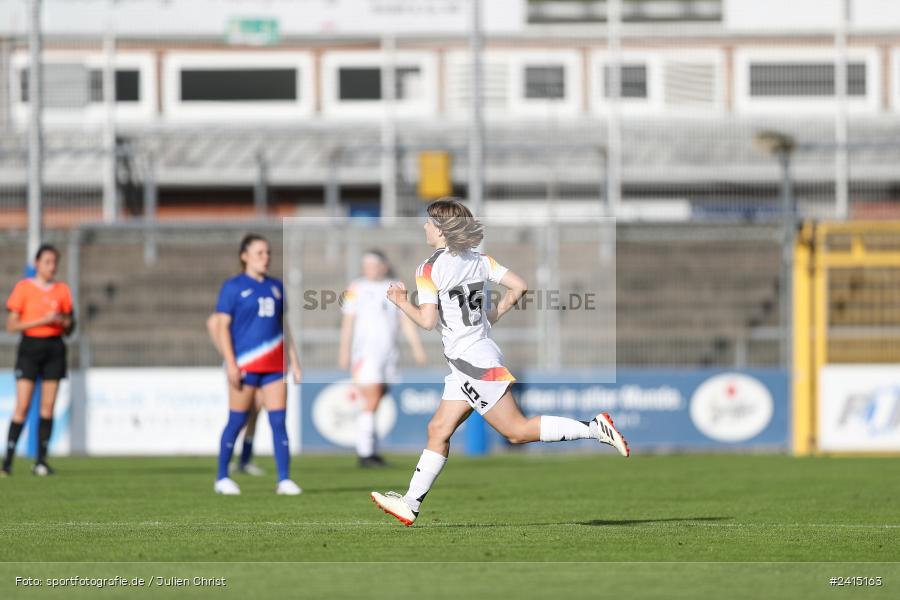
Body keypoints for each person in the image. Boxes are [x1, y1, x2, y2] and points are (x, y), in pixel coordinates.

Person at [371, 199, 629, 526]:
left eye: (428, 222)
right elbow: (519, 287)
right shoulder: (480, 260)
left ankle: (594, 428)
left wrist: (398, 301)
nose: (425, 227)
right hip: (472, 356)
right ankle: (410, 503)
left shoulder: (429, 268)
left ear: (442, 229)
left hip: (471, 363)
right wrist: (492, 316)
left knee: (517, 431)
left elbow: (425, 321)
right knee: (437, 429)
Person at [208, 234, 303, 496]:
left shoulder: (276, 286)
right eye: (259, 253)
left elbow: (284, 326)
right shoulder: (233, 287)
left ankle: (284, 479)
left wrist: (294, 361)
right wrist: (230, 363)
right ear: (244, 256)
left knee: (278, 420)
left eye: (268, 253)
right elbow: (221, 326)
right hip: (245, 364)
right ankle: (222, 477)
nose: (266, 257)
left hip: (274, 366)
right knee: (237, 420)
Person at [339, 250, 427, 468]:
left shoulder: (395, 285)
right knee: (372, 398)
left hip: (389, 355)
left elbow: (405, 319)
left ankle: (372, 450)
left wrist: (416, 347)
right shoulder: (356, 287)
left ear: (384, 266)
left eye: (372, 264)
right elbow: (348, 321)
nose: (368, 268)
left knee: (378, 398)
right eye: (365, 264)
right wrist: (344, 350)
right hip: (365, 354)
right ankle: (365, 453)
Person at [2, 244, 75, 477]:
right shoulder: (24, 288)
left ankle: (41, 462)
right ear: (37, 264)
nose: (52, 267)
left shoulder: (62, 290)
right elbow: (12, 326)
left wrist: (61, 321)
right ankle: (8, 462)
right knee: (22, 406)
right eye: (47, 262)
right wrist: (41, 321)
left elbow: (70, 327)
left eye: (54, 262)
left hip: (54, 348)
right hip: (30, 348)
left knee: (48, 407)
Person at [205, 315, 266, 476]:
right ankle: (227, 460)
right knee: (240, 415)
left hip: (258, 361)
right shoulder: (233, 303)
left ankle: (245, 460)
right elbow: (212, 323)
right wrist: (228, 357)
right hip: (239, 364)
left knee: (256, 410)